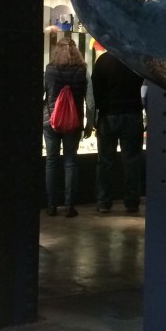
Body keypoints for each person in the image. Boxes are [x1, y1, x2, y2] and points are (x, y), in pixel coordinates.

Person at [89, 45, 144, 213]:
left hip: (108, 115)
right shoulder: (134, 61)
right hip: (132, 114)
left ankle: (104, 201)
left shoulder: (102, 61)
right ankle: (132, 202)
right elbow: (142, 83)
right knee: (132, 161)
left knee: (105, 161)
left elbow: (95, 90)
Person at [43, 38, 87, 218]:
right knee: (70, 162)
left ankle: (51, 206)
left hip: (50, 121)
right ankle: (69, 206)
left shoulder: (50, 69)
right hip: (72, 122)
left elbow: (45, 93)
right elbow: (85, 97)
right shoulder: (81, 70)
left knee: (51, 162)